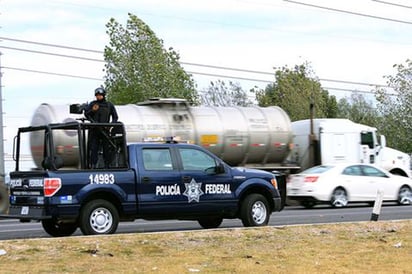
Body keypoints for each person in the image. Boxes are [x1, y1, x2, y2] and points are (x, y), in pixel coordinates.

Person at [85, 87, 119, 168]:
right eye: (97, 95)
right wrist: (92, 110)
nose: (98, 97)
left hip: (105, 130)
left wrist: (110, 125)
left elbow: (115, 117)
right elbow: (86, 114)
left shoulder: (109, 105)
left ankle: (107, 165)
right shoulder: (93, 104)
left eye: (100, 95)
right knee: (94, 148)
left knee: (106, 149)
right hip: (94, 130)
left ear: (103, 95)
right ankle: (93, 165)